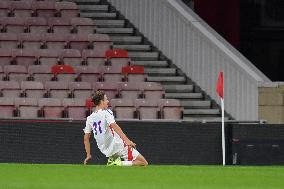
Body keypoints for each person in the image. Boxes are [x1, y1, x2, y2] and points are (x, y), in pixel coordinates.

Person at [83, 90, 148, 166]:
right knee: (143, 163)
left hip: (105, 150)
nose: (107, 101)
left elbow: (86, 138)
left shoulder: (90, 118)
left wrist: (88, 155)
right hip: (117, 145)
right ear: (101, 101)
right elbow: (115, 126)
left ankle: (113, 160)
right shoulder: (106, 112)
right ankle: (118, 163)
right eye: (106, 99)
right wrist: (127, 141)